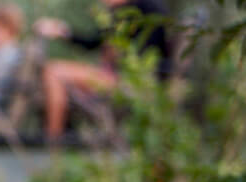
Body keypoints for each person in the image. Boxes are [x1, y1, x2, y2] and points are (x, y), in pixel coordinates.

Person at [34, 0, 172, 140]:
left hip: (132, 82)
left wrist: (114, 56)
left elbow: (147, 55)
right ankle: (58, 137)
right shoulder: (125, 12)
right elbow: (93, 42)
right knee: (54, 71)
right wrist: (63, 31)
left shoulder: (143, 10)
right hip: (124, 78)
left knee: (54, 72)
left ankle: (53, 142)